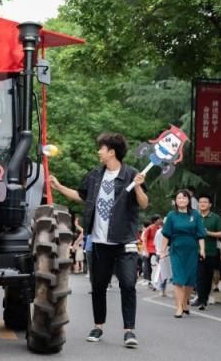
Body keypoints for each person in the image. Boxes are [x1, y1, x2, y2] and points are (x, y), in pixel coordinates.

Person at [49, 132, 148, 348]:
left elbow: (143, 204)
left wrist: (138, 185)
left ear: (111, 152)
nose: (98, 152)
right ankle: (98, 326)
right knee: (99, 285)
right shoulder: (95, 175)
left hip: (124, 241)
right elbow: (81, 196)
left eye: (101, 148)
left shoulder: (131, 174)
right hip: (100, 242)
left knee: (128, 284)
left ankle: (129, 331)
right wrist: (58, 187)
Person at [160, 189, 206, 318]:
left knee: (190, 280)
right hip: (176, 250)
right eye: (179, 198)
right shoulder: (171, 215)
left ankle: (185, 302)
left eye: (184, 198)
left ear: (188, 200)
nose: (182, 200)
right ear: (176, 200)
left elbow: (200, 234)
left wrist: (202, 249)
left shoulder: (195, 215)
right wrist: (162, 251)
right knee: (179, 279)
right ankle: (179, 307)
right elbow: (166, 234)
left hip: (192, 250)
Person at [192, 194, 221, 310]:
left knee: (208, 276)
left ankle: (204, 298)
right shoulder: (194, 216)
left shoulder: (215, 218)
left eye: (205, 202)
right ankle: (200, 299)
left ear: (210, 204)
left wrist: (208, 233)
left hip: (211, 251)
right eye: (200, 202)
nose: (202, 204)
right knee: (199, 276)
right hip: (196, 250)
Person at [141, 214, 162, 285]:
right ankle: (148, 280)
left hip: (156, 249)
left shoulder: (159, 228)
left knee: (158, 264)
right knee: (147, 265)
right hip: (149, 249)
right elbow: (144, 240)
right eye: (159, 219)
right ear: (155, 221)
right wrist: (145, 251)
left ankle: (157, 280)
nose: (160, 220)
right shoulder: (149, 228)